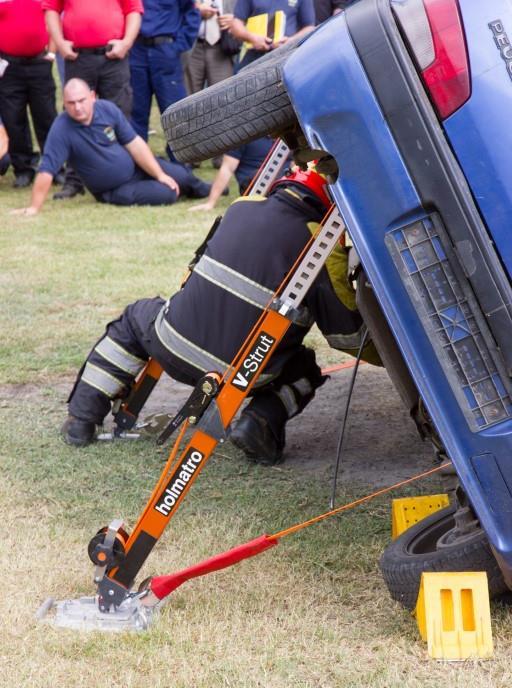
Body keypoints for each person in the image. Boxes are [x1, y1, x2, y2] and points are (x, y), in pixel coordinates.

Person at [60, 166, 369, 465]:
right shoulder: (323, 246)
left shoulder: (240, 208)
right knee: (304, 369)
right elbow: (346, 337)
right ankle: (258, 424)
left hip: (173, 347)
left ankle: (81, 418)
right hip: (247, 376)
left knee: (134, 318)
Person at [11, 79, 211, 215]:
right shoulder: (61, 129)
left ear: (93, 96)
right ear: (64, 103)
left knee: (181, 176)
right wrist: (34, 208)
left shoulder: (107, 109)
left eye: (81, 100)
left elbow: (134, 144)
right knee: (166, 193)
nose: (78, 107)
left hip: (137, 168)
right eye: (71, 103)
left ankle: (207, 192)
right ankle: (182, 190)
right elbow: (47, 170)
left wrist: (159, 174)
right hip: (113, 190)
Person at [43, 0, 143, 199]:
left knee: (119, 114)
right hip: (78, 57)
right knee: (74, 116)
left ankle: (126, 174)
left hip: (113, 56)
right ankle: (74, 181)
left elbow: (134, 10)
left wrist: (126, 43)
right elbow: (51, 9)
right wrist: (60, 42)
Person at [0, 0, 58, 188]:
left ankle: (54, 167)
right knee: (13, 119)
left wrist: (52, 52)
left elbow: (54, 18)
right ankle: (23, 169)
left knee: (46, 117)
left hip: (39, 62)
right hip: (9, 65)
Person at [129, 0, 200, 154]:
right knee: (136, 111)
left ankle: (179, 162)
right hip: (136, 51)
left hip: (165, 51)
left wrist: (177, 47)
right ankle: (138, 164)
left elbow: (192, 14)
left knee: (175, 112)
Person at [189, 136, 274, 210]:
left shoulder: (280, 134)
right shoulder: (242, 135)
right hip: (255, 184)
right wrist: (211, 203)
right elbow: (227, 168)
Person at [230, 0, 315, 70]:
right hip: (251, 56)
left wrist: (290, 41)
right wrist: (253, 38)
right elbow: (236, 25)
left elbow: (309, 27)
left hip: (286, 57)